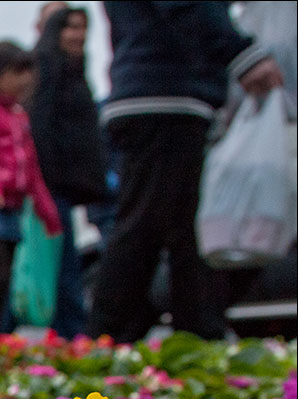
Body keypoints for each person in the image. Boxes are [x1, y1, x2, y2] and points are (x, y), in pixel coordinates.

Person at [87, 2, 284, 343]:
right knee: (150, 226)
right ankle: (107, 335)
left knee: (182, 229)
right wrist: (243, 53)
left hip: (154, 90)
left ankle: (191, 333)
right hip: (167, 92)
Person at [0, 41, 62, 339]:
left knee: (5, 278)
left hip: (13, 205)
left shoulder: (18, 117)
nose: (25, 81)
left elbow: (31, 170)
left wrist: (48, 213)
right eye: (17, 73)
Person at [28, 5, 107, 338]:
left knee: (65, 262)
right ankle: (70, 333)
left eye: (82, 27)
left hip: (68, 186)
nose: (77, 35)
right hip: (48, 184)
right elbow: (41, 127)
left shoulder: (76, 72)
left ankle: (69, 332)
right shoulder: (45, 68)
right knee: (57, 265)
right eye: (68, 27)